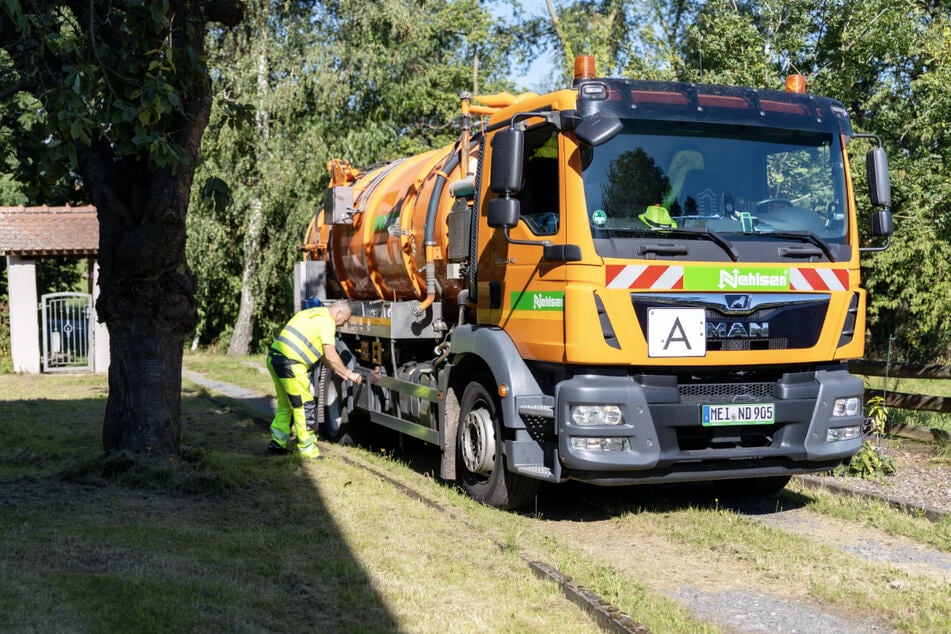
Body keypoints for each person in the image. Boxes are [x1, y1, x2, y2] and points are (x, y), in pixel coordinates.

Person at [266, 300, 362, 458]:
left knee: (286, 406)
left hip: (275, 359)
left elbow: (323, 356)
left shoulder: (313, 314)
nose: (342, 324)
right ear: (338, 313)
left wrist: (343, 373)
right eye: (344, 320)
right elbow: (330, 354)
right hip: (291, 364)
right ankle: (308, 450)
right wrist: (350, 374)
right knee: (305, 405)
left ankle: (276, 445)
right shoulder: (327, 322)